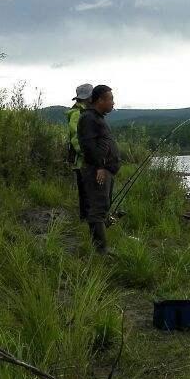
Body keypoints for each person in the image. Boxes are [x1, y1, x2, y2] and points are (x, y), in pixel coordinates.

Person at [77, 84, 120, 254]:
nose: (113, 103)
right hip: (97, 171)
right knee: (97, 209)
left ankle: (100, 246)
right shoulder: (88, 118)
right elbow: (88, 146)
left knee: (102, 206)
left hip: (104, 170)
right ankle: (101, 250)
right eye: (110, 99)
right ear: (100, 100)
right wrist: (100, 167)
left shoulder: (98, 117)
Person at [66, 83, 94, 221]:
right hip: (82, 162)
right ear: (88, 97)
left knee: (86, 193)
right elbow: (76, 138)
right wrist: (88, 155)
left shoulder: (82, 112)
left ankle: (86, 220)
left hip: (83, 161)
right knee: (86, 193)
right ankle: (87, 221)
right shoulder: (77, 114)